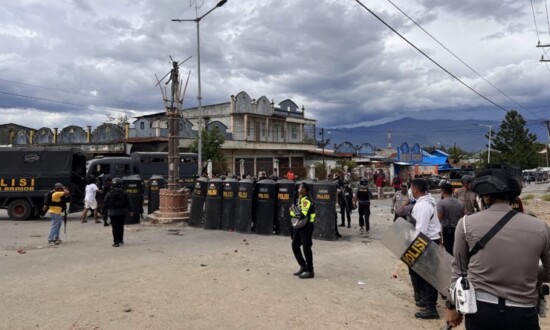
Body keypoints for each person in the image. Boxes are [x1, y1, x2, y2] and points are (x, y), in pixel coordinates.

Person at [445, 169, 550, 329]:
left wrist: (452, 306)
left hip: (481, 311)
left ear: (486, 197)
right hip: (523, 313)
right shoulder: (540, 227)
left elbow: (459, 272)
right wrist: (524, 271)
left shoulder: (466, 224)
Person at [409, 178, 441, 319]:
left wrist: (412, 246)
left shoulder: (422, 206)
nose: (411, 191)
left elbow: (421, 229)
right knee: (423, 274)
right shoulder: (427, 202)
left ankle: (431, 308)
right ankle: (426, 301)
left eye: (411, 188)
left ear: (415, 189)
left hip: (426, 241)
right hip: (429, 240)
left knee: (428, 276)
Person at [290, 182, 316, 279]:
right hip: (299, 226)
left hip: (306, 227)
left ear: (305, 190)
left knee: (306, 248)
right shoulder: (299, 199)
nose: (298, 189)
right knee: (295, 245)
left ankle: (310, 270)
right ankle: (303, 265)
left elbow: (302, 215)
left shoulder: (306, 201)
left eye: (301, 187)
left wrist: (292, 212)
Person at [102, 178, 133, 247]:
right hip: (122, 212)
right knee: (121, 226)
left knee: (115, 227)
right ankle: (121, 240)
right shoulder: (124, 193)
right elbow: (128, 202)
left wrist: (103, 212)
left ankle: (116, 242)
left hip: (113, 213)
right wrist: (131, 210)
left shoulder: (109, 193)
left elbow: (105, 203)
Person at [436, 183, 463, 255]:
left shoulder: (441, 203)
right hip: (458, 229)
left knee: (449, 252)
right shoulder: (460, 203)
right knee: (457, 250)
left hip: (447, 231)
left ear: (443, 191)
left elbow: (439, 218)